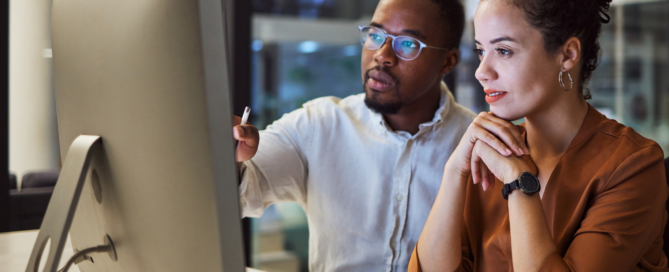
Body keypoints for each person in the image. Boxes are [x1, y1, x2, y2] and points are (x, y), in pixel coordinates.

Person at [231, 0, 522, 270]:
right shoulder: (318, 125)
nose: (382, 55)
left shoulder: (480, 148)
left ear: (448, 62)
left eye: (407, 44)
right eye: (375, 35)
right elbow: (242, 193)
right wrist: (233, 157)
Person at [410, 0, 669, 271]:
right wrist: (454, 171)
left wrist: (518, 183)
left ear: (567, 55)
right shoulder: (488, 153)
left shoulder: (633, 166)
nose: (481, 72)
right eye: (480, 51)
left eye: (503, 50)